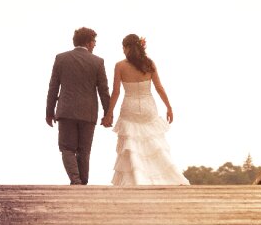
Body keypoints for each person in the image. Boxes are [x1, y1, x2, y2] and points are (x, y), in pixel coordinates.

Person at [101, 34, 189, 186]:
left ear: (127, 48)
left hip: (129, 108)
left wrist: (109, 114)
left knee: (132, 143)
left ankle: (137, 179)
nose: (122, 50)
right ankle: (166, 178)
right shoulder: (149, 64)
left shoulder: (120, 66)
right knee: (154, 143)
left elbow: (116, 92)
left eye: (123, 47)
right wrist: (169, 107)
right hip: (149, 108)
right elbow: (159, 87)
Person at [46, 27, 112, 185]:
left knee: (67, 148)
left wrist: (49, 112)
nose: (95, 44)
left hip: (66, 111)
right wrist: (108, 114)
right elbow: (103, 90)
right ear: (88, 43)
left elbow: (53, 87)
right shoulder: (97, 62)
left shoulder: (61, 58)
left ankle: (76, 181)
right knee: (84, 150)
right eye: (94, 41)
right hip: (88, 113)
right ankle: (82, 182)